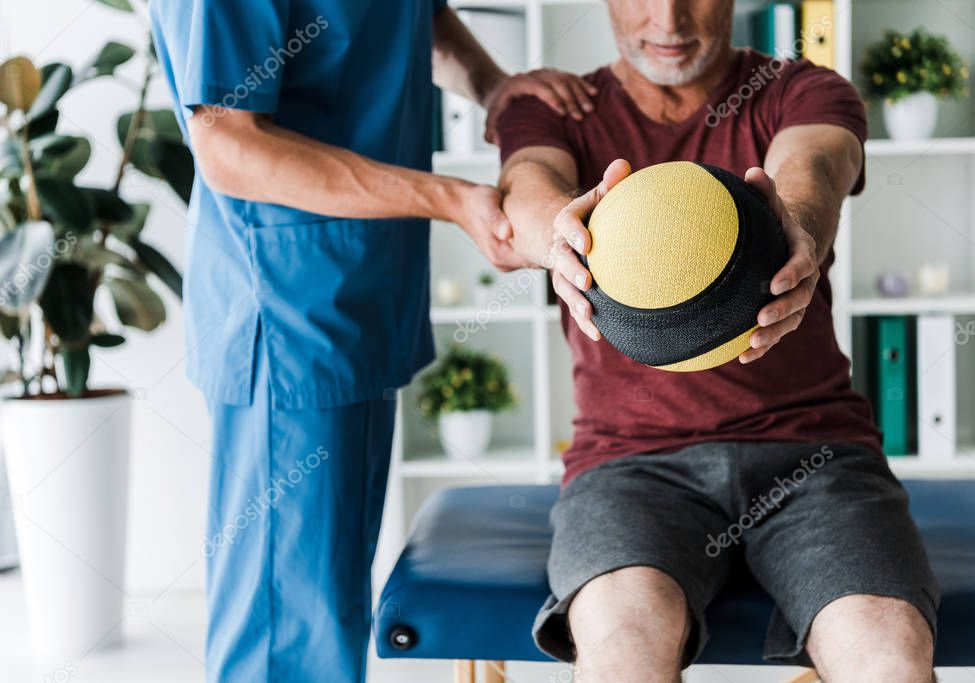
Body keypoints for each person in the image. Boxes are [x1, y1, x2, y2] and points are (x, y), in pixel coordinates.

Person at [149, 2, 594, 681]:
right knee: (287, 641)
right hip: (289, 313)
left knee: (328, 613)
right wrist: (448, 197)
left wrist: (489, 84)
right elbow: (227, 145)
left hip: (358, 298)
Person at [496, 1, 939, 682]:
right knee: (621, 651)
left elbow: (814, 165)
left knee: (886, 657)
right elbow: (526, 186)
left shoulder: (803, 87)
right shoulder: (554, 108)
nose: (669, 20)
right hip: (629, 464)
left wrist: (798, 223)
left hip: (814, 456)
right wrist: (555, 230)